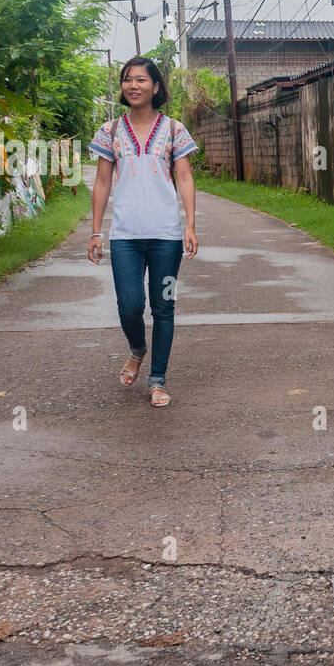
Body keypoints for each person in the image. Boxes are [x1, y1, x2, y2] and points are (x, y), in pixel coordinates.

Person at [86, 57, 199, 408]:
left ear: (155, 87)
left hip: (166, 238)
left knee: (164, 307)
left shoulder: (175, 129)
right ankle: (137, 349)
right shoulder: (110, 131)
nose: (133, 86)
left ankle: (158, 380)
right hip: (125, 239)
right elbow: (103, 180)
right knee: (130, 305)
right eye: (127, 80)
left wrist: (190, 225)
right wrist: (95, 232)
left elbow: (184, 177)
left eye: (140, 80)